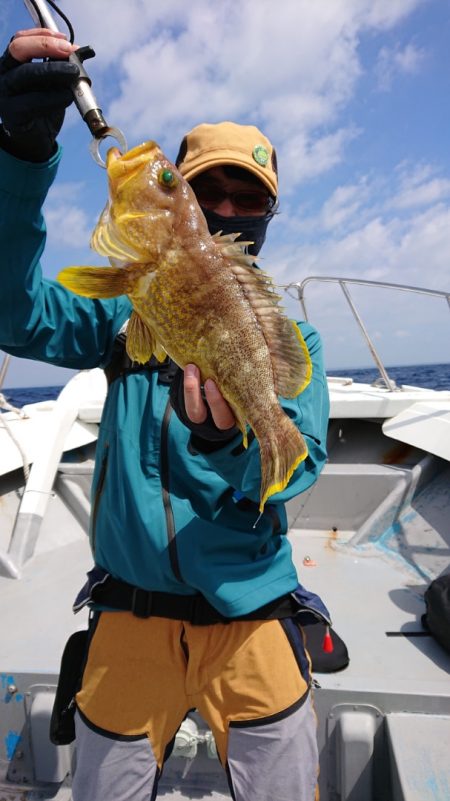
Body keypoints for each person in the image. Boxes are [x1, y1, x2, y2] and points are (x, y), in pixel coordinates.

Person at [0, 28, 330, 801]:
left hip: (252, 610)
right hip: (128, 608)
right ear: (180, 191)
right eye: (205, 189)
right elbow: (12, 308)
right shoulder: (122, 312)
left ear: (268, 215)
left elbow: (300, 455)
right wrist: (19, 158)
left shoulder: (292, 338)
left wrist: (227, 442)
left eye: (247, 199)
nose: (224, 208)